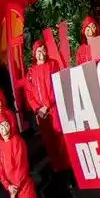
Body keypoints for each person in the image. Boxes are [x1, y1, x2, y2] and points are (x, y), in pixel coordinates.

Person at [25, 39, 71, 173]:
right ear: (34, 54)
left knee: (60, 138)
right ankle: (56, 166)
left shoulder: (53, 64)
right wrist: (37, 108)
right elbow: (29, 93)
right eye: (39, 51)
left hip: (53, 108)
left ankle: (66, 166)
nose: (42, 53)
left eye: (43, 50)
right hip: (42, 113)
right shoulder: (31, 73)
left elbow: (57, 86)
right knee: (48, 140)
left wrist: (47, 104)